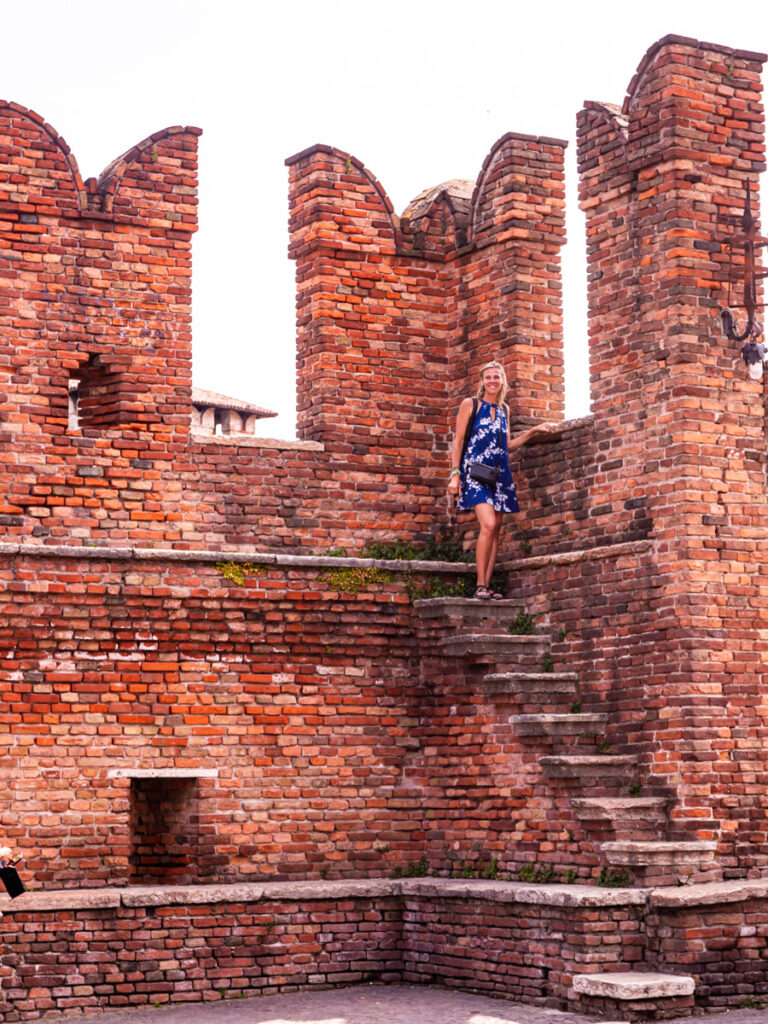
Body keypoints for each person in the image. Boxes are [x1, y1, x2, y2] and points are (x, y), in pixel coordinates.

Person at [447, 361, 558, 599]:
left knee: (496, 529)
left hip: (499, 474)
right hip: (475, 472)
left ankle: (487, 585)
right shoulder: (471, 405)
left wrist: (533, 431)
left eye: (496, 377)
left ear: (502, 380)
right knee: (487, 524)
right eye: (488, 377)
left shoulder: (504, 409)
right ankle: (479, 585)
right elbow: (458, 442)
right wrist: (455, 474)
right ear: (482, 381)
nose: (492, 381)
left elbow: (506, 446)